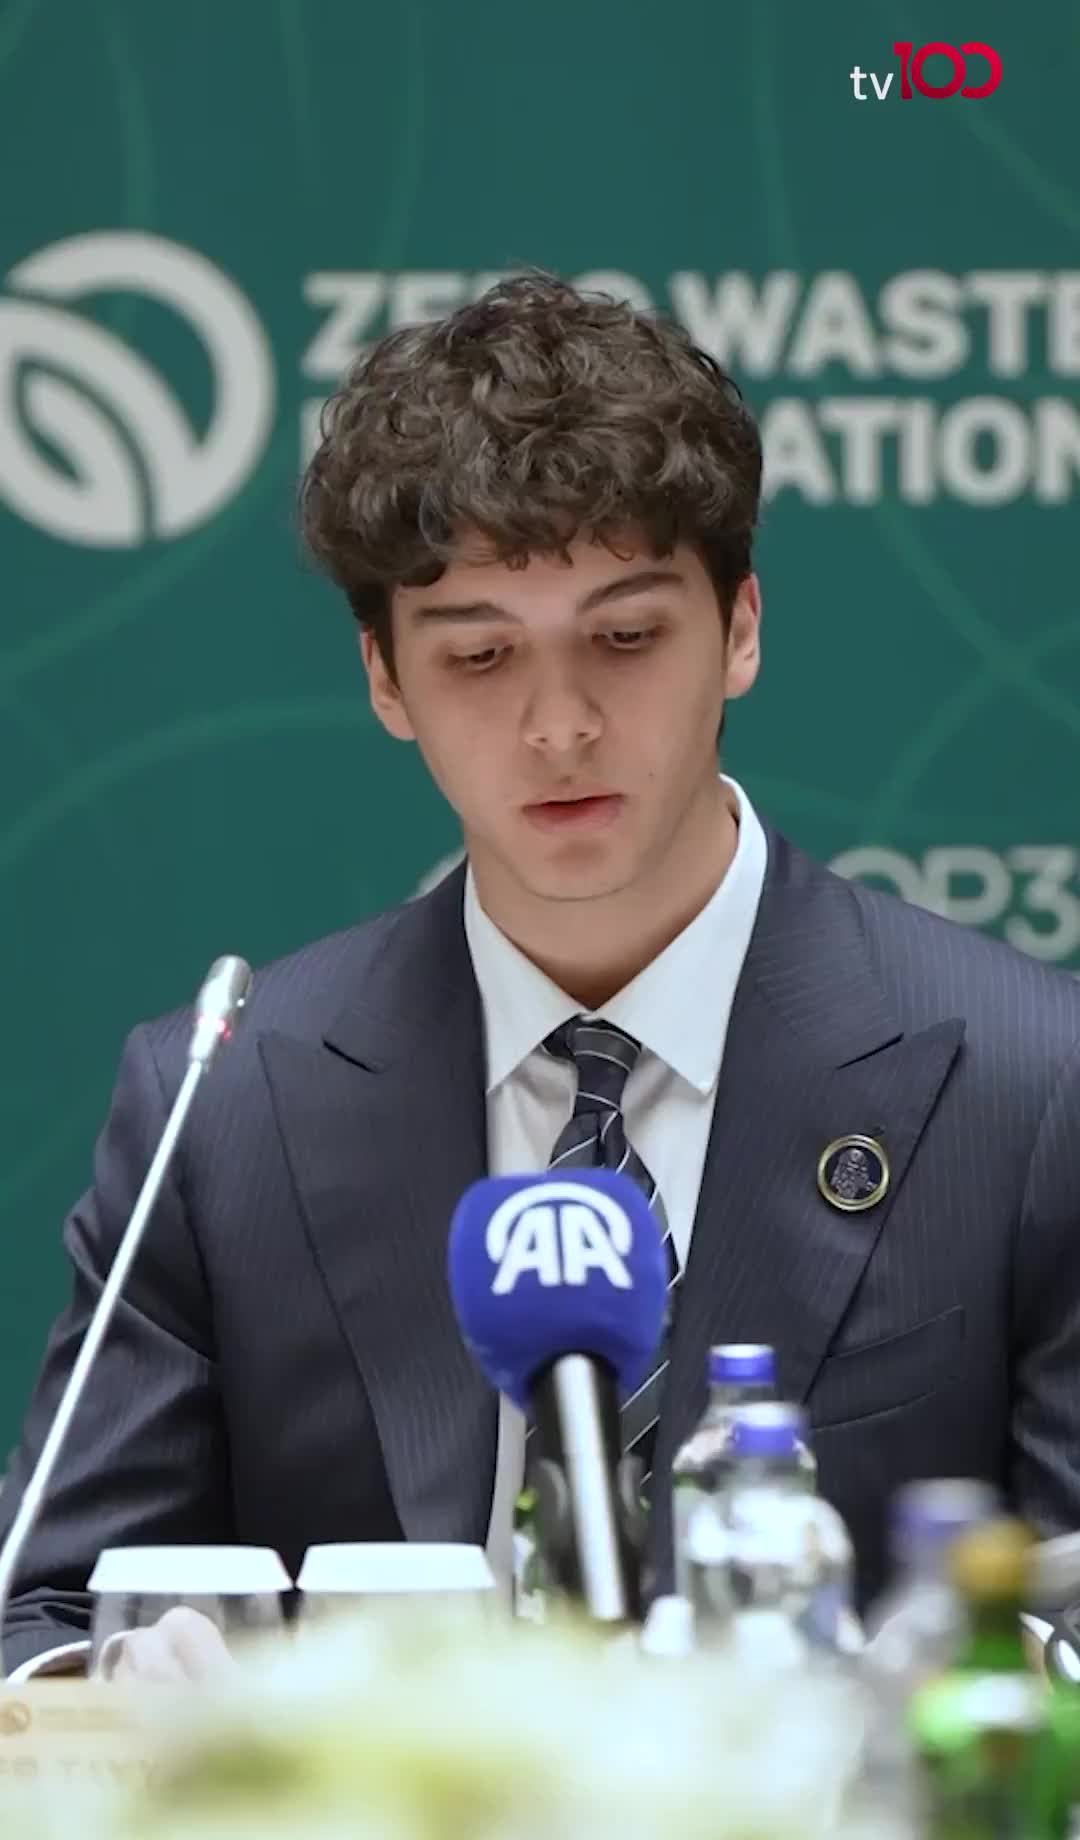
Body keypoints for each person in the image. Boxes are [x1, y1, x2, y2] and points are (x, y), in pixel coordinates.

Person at [3, 270, 1080, 1682]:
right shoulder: (226, 1110)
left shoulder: (1027, 1083)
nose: (559, 725)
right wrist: (120, 1683)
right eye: (479, 656)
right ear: (386, 679)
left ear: (741, 629)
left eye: (625, 639)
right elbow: (44, 1608)